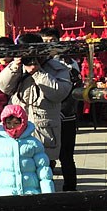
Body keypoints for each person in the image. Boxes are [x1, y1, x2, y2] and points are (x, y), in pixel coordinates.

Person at [0, 32, 72, 168]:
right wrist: (15, 65)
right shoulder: (16, 67)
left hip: (44, 132)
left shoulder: (56, 68)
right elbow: (2, 86)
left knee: (44, 174)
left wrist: (37, 72)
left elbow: (59, 93)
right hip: (17, 130)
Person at [40, 26, 82, 191]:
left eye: (52, 41)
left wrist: (65, 111)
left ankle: (70, 189)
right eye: (45, 41)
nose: (49, 44)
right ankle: (46, 190)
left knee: (66, 156)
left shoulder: (69, 63)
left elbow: (75, 90)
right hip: (46, 115)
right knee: (45, 156)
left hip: (66, 116)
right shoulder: (39, 62)